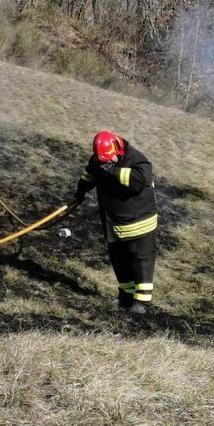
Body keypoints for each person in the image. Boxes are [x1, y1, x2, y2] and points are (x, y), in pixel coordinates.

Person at [72, 131, 158, 315]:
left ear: (117, 150)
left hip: (138, 222)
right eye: (102, 160)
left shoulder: (138, 161)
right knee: (119, 259)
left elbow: (138, 181)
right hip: (113, 221)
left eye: (109, 160)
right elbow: (90, 174)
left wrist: (111, 170)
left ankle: (142, 302)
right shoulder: (99, 159)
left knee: (140, 260)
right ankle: (125, 296)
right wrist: (81, 190)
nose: (105, 163)